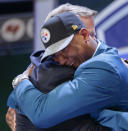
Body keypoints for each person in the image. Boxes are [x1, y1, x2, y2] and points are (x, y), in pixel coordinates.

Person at [7, 12, 128, 131]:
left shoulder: (104, 67)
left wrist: (20, 81)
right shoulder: (106, 54)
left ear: (85, 35)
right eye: (55, 54)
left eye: (64, 49)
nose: (61, 60)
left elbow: (42, 114)